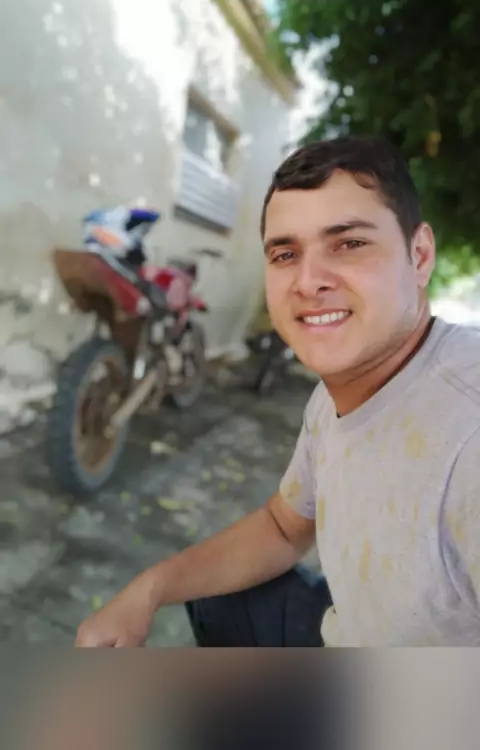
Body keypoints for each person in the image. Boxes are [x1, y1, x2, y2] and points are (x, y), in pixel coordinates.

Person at [76, 135, 480, 647]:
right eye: (286, 253)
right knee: (215, 594)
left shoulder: (467, 434)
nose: (308, 281)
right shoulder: (333, 396)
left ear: (418, 256)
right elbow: (284, 527)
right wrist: (149, 589)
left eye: (349, 244)